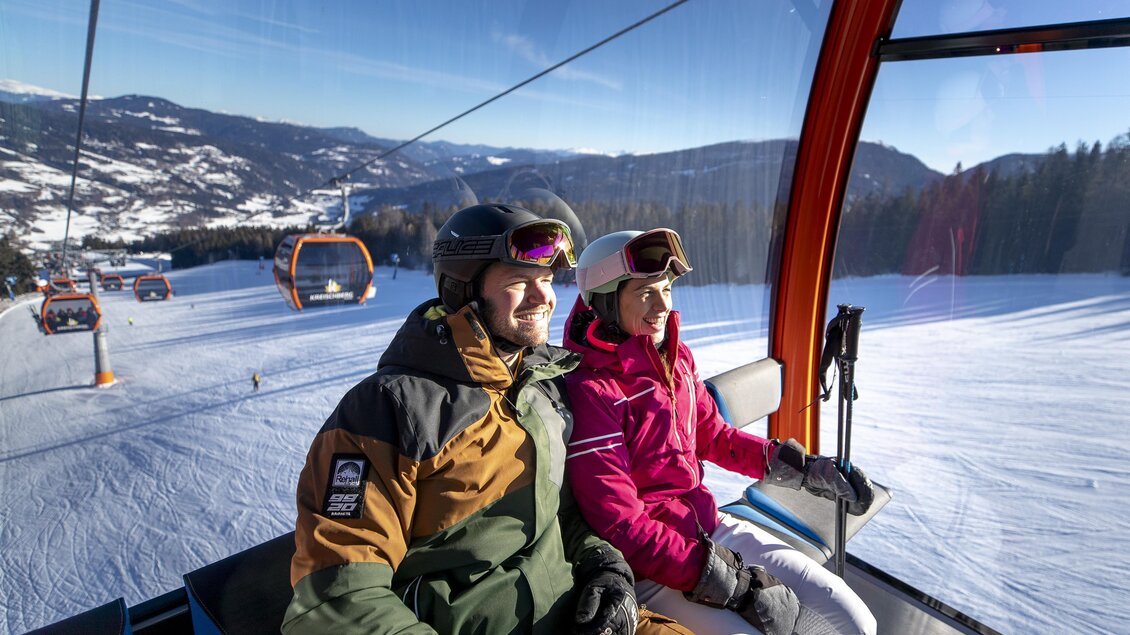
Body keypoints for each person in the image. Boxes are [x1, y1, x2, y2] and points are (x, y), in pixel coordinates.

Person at [284, 205, 692, 635]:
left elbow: (563, 512)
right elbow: (338, 598)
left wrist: (603, 564)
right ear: (462, 290)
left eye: (548, 281)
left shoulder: (543, 384)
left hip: (576, 614)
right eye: (520, 282)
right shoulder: (387, 410)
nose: (544, 298)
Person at [561, 228, 878, 635]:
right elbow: (621, 523)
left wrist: (802, 468)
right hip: (652, 569)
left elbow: (713, 436)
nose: (662, 306)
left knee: (853, 620)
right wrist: (730, 584)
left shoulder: (674, 360)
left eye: (667, 290)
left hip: (709, 527)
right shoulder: (591, 391)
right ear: (605, 302)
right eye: (645, 294)